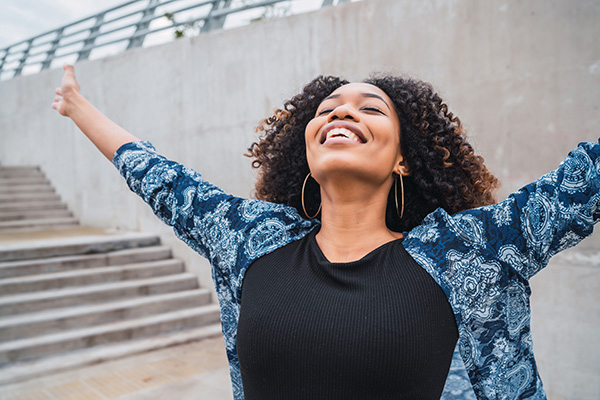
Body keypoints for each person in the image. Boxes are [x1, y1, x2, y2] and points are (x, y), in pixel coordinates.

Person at [53, 64, 599, 399]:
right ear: (307, 148)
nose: (342, 113)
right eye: (328, 109)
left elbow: (585, 181)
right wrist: (78, 108)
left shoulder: (467, 252)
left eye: (371, 108)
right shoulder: (252, 240)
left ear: (404, 160)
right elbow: (160, 176)